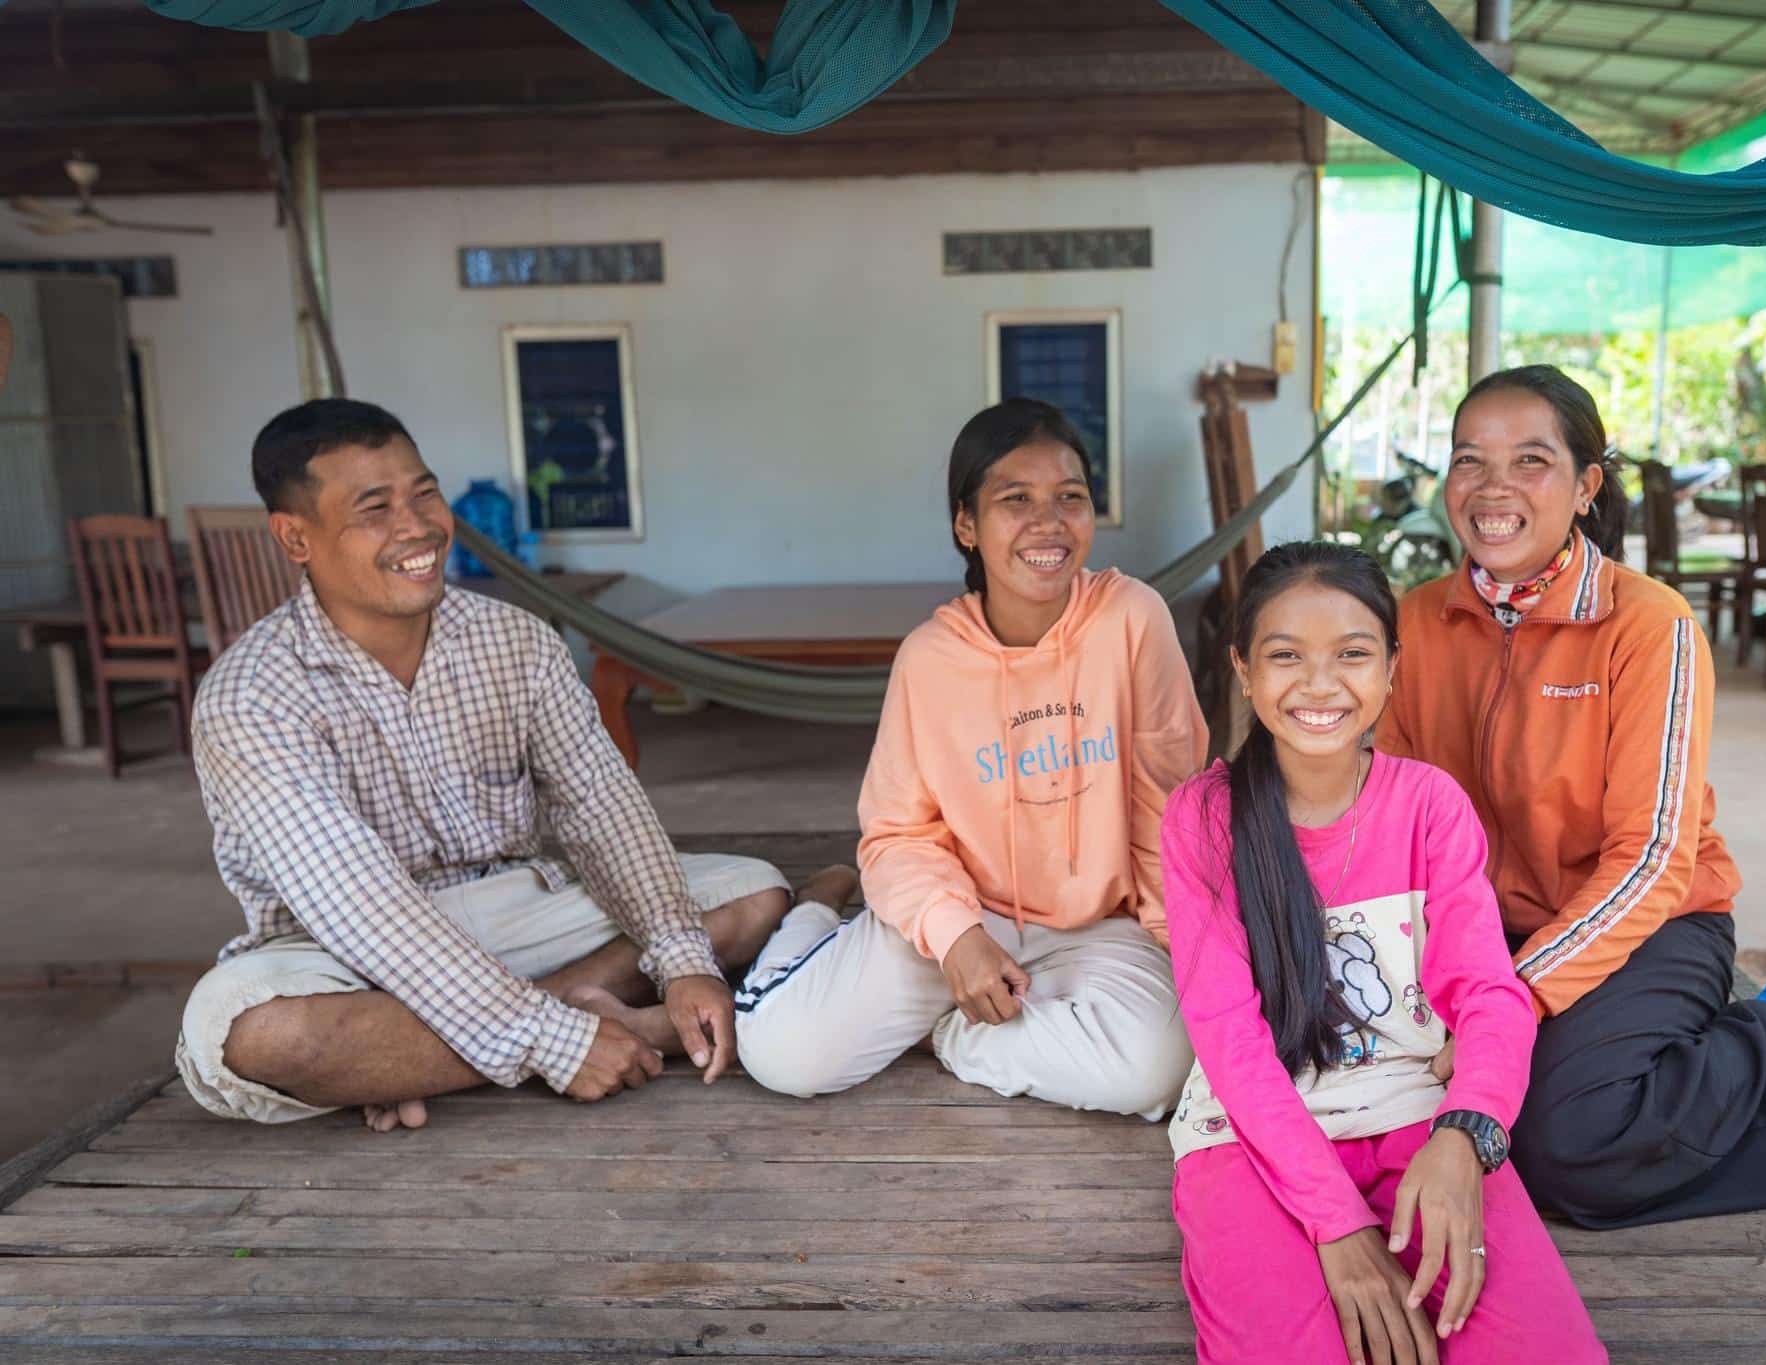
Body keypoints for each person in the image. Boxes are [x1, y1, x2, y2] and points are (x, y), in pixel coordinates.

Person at [176, 398, 857, 1131]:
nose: (417, 526)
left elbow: (601, 807)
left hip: (521, 914)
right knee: (248, 1033)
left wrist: (683, 963)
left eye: (424, 493)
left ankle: (410, 1059)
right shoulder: (250, 696)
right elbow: (360, 905)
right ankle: (599, 1025)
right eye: (375, 509)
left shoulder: (515, 640)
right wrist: (555, 1041)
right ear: (294, 537)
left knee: (751, 896)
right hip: (344, 951)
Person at [1375, 364, 1766, 1228]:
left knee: (1573, 1145)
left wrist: (1512, 1000)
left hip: (1651, 923)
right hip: (1486, 928)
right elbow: (1394, 815)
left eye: (1530, 460)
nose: (1493, 488)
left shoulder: (1649, 624)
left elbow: (1652, 859)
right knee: (1440, 1106)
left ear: (1586, 486)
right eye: (1469, 460)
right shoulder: (1412, 623)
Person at [1162, 541, 1602, 1365]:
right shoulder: (1205, 818)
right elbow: (1229, 1038)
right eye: (1285, 655)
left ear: (1393, 668)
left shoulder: (1430, 805)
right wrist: (1338, 1224)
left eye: (1352, 654)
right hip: (1247, 1137)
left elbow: (1488, 993)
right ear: (1243, 670)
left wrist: (1465, 1134)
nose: (1319, 684)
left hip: (1415, 1118)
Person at [734, 398, 1205, 1118]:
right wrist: (958, 938)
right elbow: (897, 834)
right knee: (783, 1055)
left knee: (1156, 1072)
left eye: (1070, 497)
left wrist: (1186, 949)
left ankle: (948, 1035)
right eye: (1015, 500)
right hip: (962, 914)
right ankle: (815, 910)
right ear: (966, 524)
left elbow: (1168, 800)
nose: (1048, 522)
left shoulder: (1132, 619)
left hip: (1102, 925)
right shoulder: (930, 659)